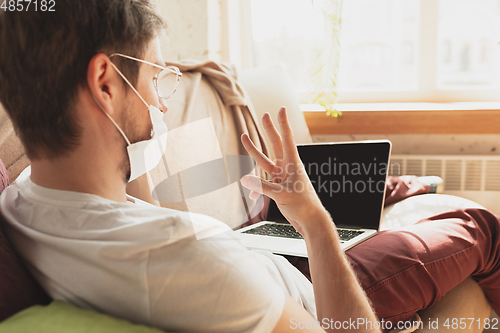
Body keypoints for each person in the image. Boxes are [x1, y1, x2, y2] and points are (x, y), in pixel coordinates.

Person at [0, 1, 498, 332]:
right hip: (324, 295)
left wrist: (134, 140)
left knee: (379, 202)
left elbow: (138, 215)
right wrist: (311, 218)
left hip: (265, 262)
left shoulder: (23, 199)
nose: (163, 105)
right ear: (105, 84)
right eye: (156, 78)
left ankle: (403, 191)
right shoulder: (205, 265)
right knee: (481, 227)